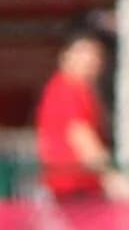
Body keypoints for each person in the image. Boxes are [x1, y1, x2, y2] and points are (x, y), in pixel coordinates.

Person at [36, 33, 120, 204]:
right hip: (73, 188)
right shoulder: (69, 89)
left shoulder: (73, 89)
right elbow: (82, 138)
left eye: (96, 55)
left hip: (73, 186)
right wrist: (113, 179)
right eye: (83, 53)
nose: (91, 61)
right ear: (66, 56)